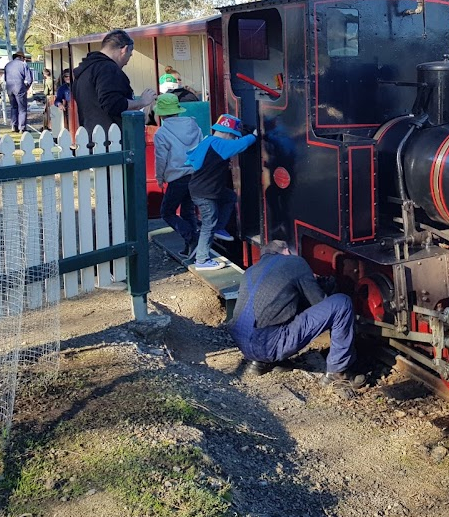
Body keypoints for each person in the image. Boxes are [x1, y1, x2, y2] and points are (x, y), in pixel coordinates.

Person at [229, 239, 363, 397]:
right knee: (342, 303)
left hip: (242, 343)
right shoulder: (295, 262)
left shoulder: (251, 271)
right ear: (286, 251)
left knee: (269, 313)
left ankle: (259, 363)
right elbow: (318, 302)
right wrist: (325, 287)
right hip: (267, 345)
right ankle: (338, 374)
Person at [185, 113, 256, 271]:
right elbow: (240, 146)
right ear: (227, 133)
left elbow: (191, 159)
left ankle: (219, 228)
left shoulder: (208, 140)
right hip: (206, 193)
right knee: (208, 224)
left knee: (230, 197)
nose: (233, 139)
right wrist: (254, 136)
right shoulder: (219, 144)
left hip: (203, 188)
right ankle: (202, 260)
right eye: (233, 136)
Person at [71, 29, 156, 139]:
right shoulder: (108, 69)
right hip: (112, 140)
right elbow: (112, 104)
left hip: (89, 138)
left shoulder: (84, 71)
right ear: (124, 50)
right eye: (130, 55)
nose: (127, 62)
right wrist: (142, 101)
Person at [153, 93, 202, 259]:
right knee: (188, 212)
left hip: (177, 178)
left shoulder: (162, 133)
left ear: (160, 113)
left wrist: (159, 178)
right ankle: (191, 247)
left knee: (167, 212)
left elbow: (161, 159)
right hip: (195, 174)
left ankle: (193, 238)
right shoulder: (193, 125)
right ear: (177, 110)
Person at [4, 50, 34, 133]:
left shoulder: (8, 65)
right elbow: (29, 79)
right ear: (21, 57)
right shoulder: (23, 65)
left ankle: (14, 126)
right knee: (22, 108)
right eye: (23, 57)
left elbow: (5, 78)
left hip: (9, 87)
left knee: (13, 107)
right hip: (20, 87)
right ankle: (22, 127)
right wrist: (26, 87)